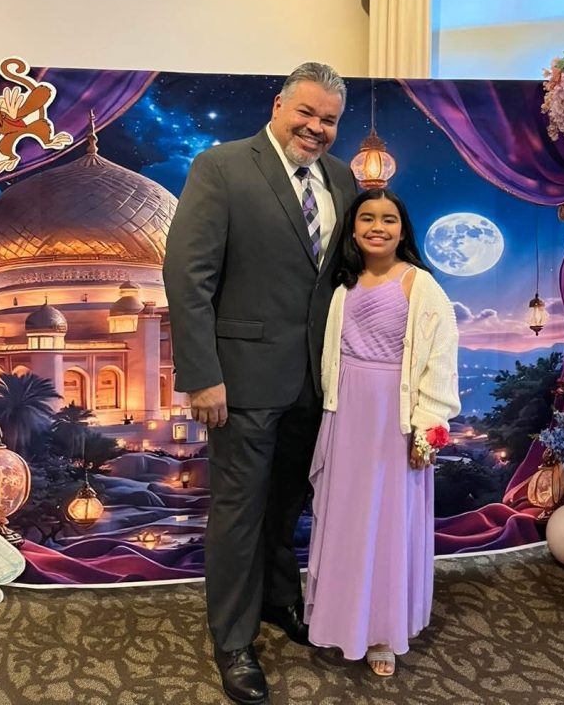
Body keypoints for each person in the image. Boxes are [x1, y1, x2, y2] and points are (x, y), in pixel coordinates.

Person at [163, 62, 358, 705]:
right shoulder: (221, 167)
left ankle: (278, 601)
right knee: (239, 512)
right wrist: (202, 376)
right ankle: (233, 640)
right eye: (307, 112)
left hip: (318, 380)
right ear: (278, 105)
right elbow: (188, 277)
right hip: (242, 381)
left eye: (329, 119)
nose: (316, 128)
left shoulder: (341, 178)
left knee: (287, 505)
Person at [304, 188, 460, 677]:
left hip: (394, 419)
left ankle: (381, 634)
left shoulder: (421, 284)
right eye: (367, 218)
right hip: (345, 411)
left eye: (388, 219)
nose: (377, 227)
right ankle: (340, 620)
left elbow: (440, 361)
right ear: (352, 230)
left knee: (388, 523)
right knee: (346, 519)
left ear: (402, 229)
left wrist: (427, 429)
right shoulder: (341, 283)